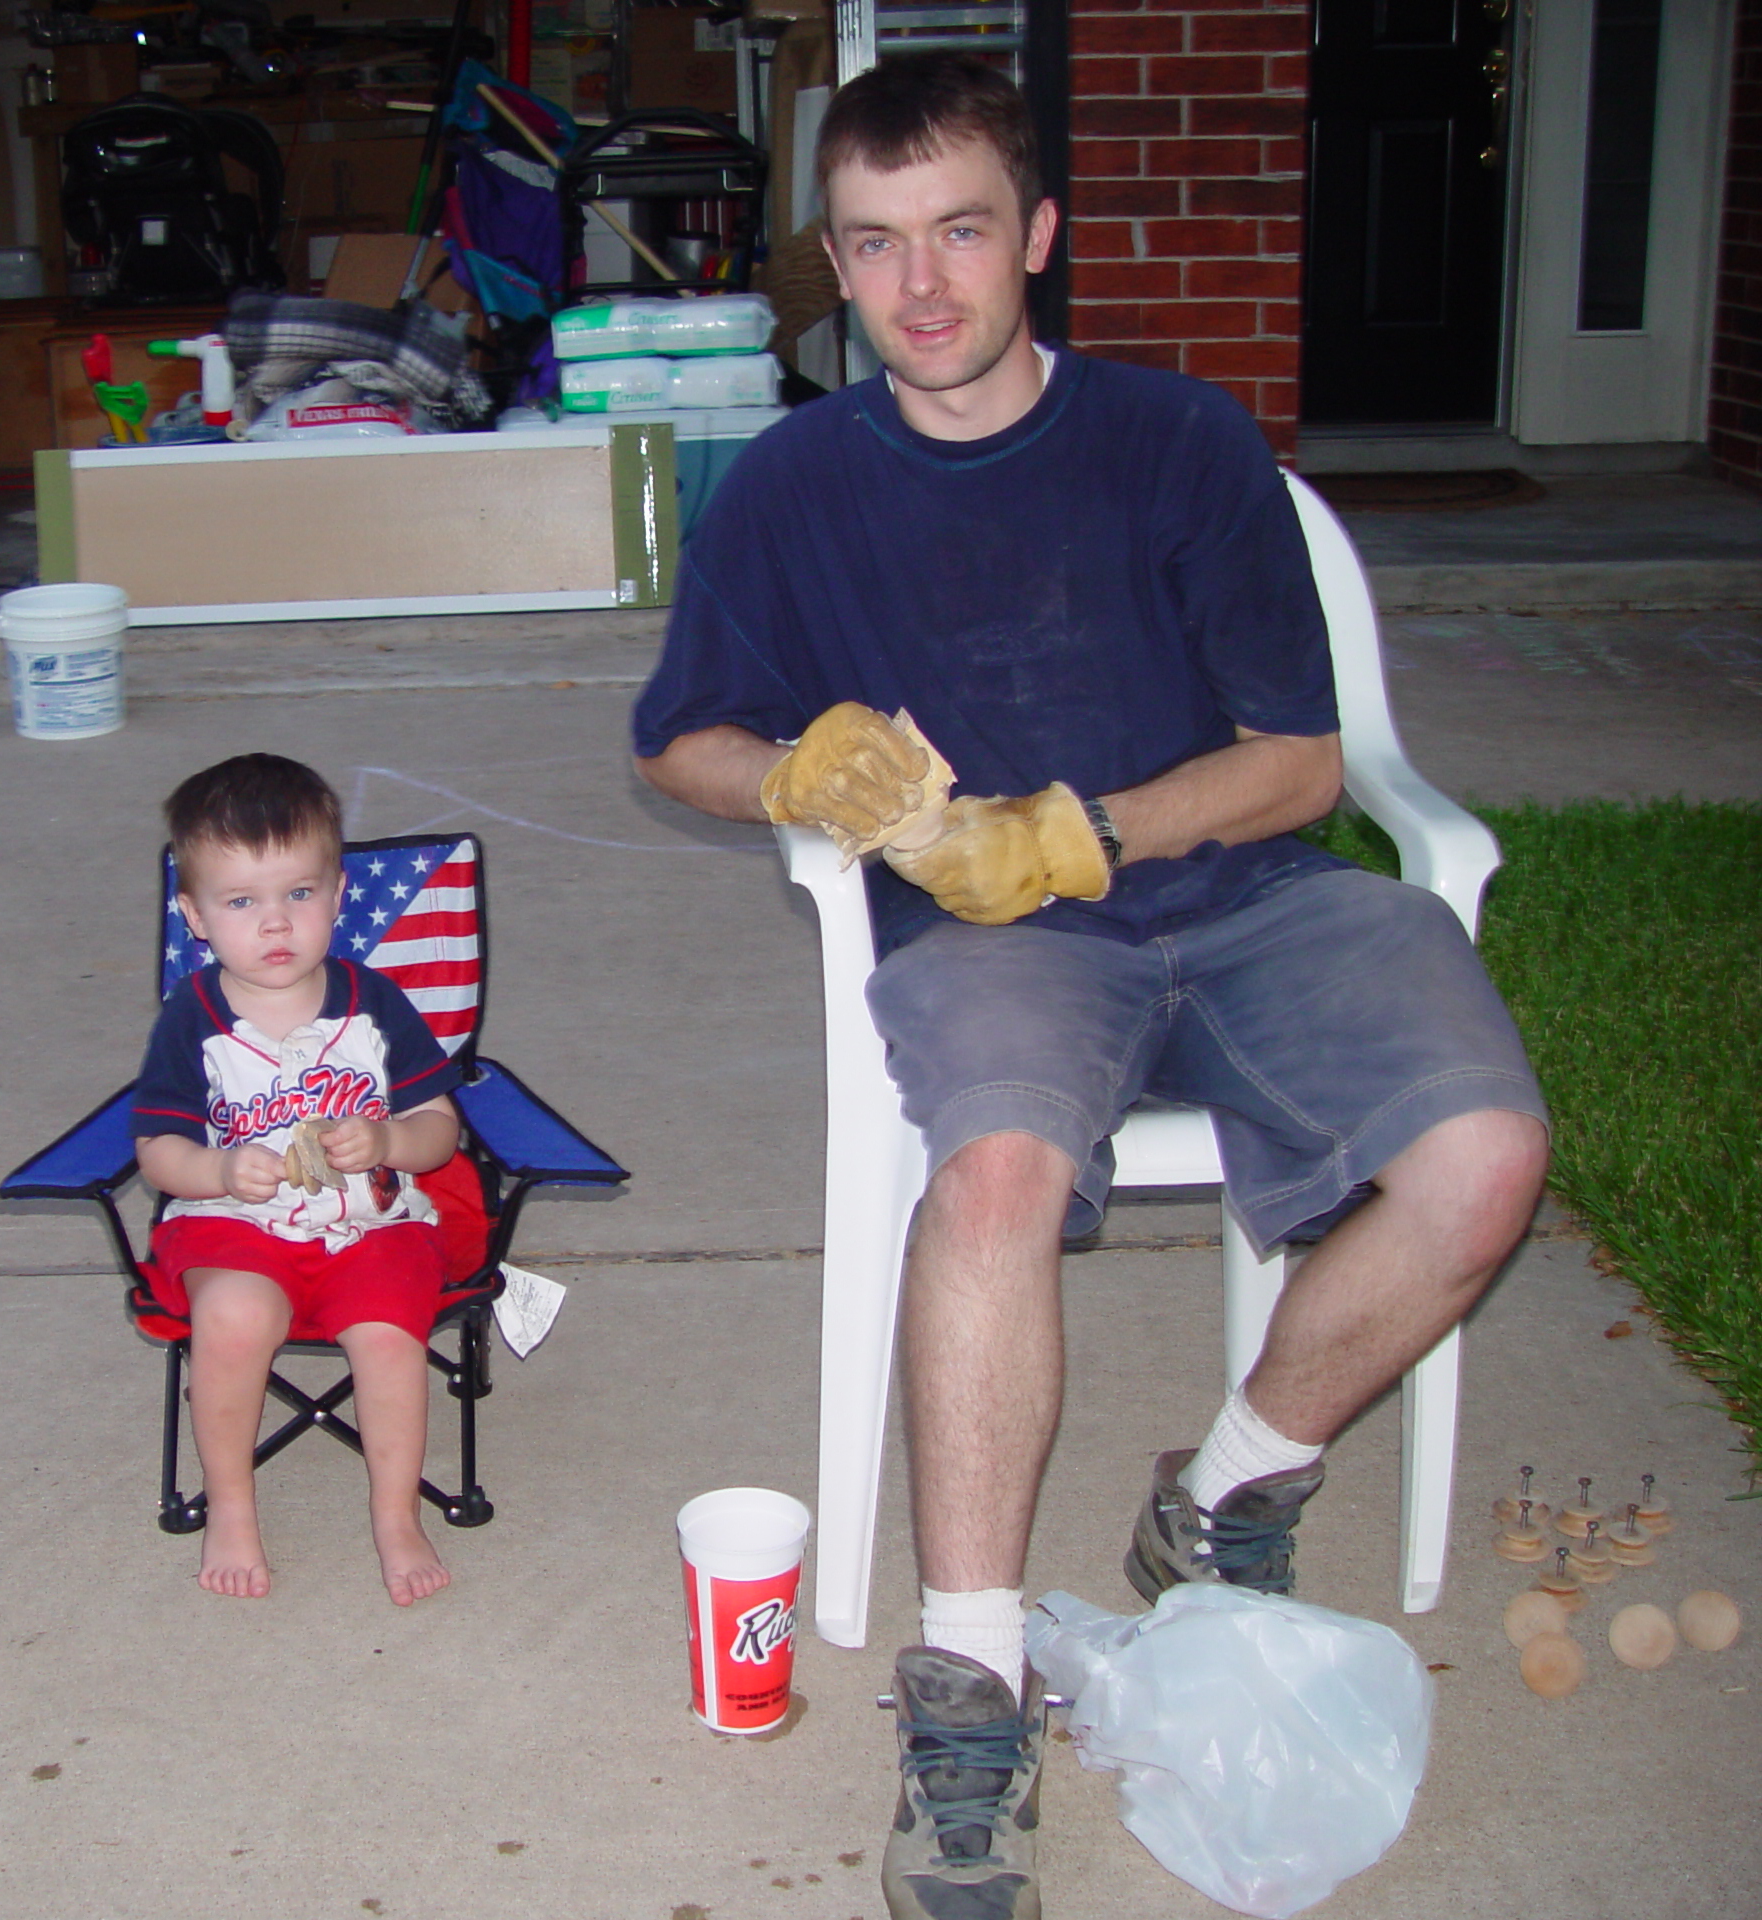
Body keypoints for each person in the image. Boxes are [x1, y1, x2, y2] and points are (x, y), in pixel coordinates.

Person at [631, 52, 1549, 1920]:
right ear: (835, 257)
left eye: (963, 231)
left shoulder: (1185, 442)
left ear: (1039, 234)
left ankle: (1227, 1486)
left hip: (1249, 892)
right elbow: (678, 745)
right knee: (988, 1181)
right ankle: (969, 1692)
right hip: (997, 952)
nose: (925, 288)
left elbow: (1301, 761)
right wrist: (791, 772)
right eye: (877, 247)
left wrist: (1080, 830)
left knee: (1487, 1160)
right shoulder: (791, 487)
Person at [131, 753, 465, 1607]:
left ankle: (395, 1515)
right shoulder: (191, 1021)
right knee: (233, 1312)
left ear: (340, 892)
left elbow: (440, 1132)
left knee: (391, 1335)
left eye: (299, 894)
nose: (274, 925)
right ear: (195, 916)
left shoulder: (375, 1002)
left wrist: (389, 1136)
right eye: (242, 903)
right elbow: (157, 1154)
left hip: (372, 1224)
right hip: (231, 1227)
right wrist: (214, 1169)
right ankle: (233, 1506)